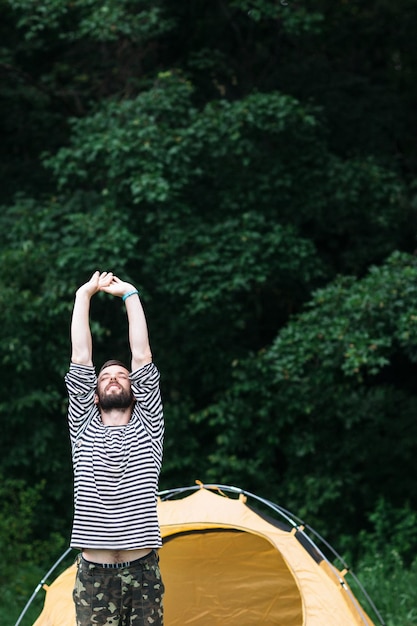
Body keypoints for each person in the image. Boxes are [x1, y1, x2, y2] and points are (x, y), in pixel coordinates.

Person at [65, 270, 165, 626]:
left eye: (121, 376)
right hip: (94, 575)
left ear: (134, 389)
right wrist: (84, 294)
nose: (112, 379)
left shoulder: (149, 425)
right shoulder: (83, 426)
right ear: (93, 394)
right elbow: (80, 356)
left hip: (143, 571)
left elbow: (141, 354)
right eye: (104, 377)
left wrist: (130, 294)